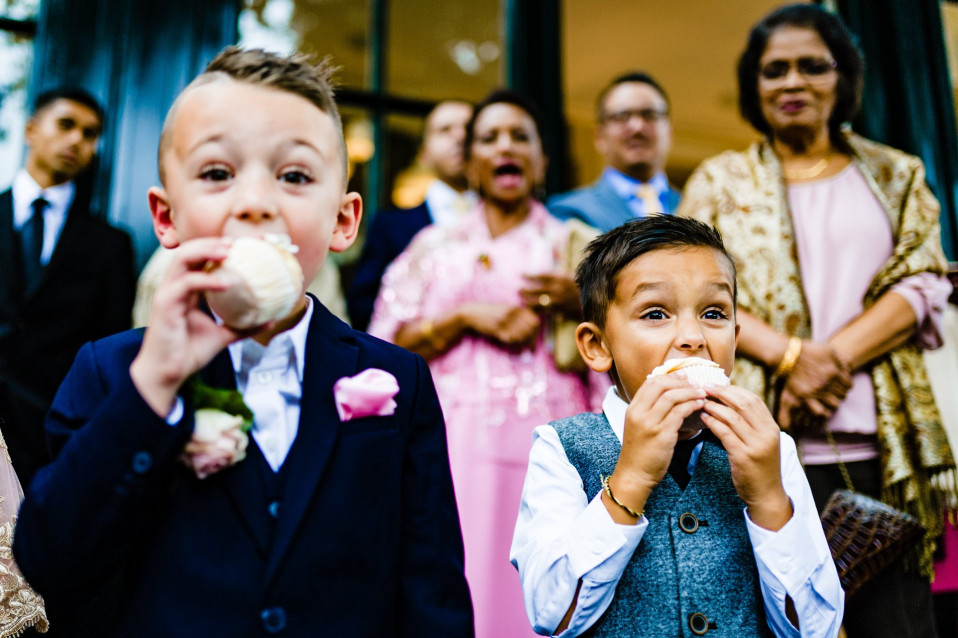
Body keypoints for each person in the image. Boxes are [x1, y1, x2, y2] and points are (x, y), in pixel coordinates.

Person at [13, 47, 473, 637]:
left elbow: (431, 587)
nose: (255, 204)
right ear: (166, 217)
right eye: (217, 173)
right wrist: (151, 389)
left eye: (294, 176)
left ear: (342, 220)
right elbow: (55, 566)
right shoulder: (113, 370)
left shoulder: (396, 379)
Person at [677, 5, 955, 637]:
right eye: (775, 70)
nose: (793, 83)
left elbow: (924, 278)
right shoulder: (719, 181)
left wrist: (827, 360)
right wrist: (788, 358)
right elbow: (691, 290)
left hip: (885, 448)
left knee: (897, 621)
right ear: (754, 86)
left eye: (812, 66)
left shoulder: (894, 173)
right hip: (754, 445)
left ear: (843, 78)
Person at [511, 215, 844, 638]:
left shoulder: (772, 449)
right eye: (655, 313)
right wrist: (630, 478)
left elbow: (818, 630)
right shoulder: (561, 448)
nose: (692, 336)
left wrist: (768, 500)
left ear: (735, 340)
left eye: (713, 313)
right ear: (597, 346)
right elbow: (551, 614)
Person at [369, 89, 593, 638]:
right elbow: (384, 352)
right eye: (488, 138)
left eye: (520, 136)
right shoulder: (432, 246)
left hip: (549, 441)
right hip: (449, 440)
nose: (504, 147)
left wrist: (581, 299)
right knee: (452, 570)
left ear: (542, 160)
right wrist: (465, 317)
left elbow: (623, 345)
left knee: (544, 576)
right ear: (468, 162)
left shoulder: (574, 246)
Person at [0, 88, 135, 488]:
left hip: (51, 438)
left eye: (90, 134)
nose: (77, 139)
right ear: (30, 130)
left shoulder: (110, 244)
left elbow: (112, 345)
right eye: (66, 125)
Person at [348, 99, 476, 330]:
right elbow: (364, 308)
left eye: (469, 129)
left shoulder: (510, 222)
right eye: (445, 130)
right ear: (423, 153)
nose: (460, 137)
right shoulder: (389, 227)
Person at [548, 72, 679, 232]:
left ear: (670, 131)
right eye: (622, 116)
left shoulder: (701, 210)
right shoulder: (568, 212)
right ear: (599, 137)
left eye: (649, 115)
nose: (637, 127)